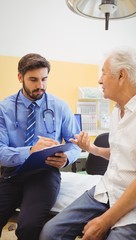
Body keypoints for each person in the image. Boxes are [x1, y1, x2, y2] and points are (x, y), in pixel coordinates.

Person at [39, 46, 136, 240]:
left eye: (103, 73)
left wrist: (104, 221)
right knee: (50, 232)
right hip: (108, 189)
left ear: (122, 75)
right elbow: (122, 154)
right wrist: (91, 148)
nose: (99, 80)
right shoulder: (116, 111)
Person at [0, 53, 81, 240]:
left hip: (44, 175)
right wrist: (29, 151)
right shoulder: (4, 109)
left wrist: (67, 158)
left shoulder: (60, 106)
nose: (40, 86)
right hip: (12, 174)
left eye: (44, 79)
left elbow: (75, 144)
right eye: (33, 80)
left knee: (27, 227)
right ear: (20, 78)